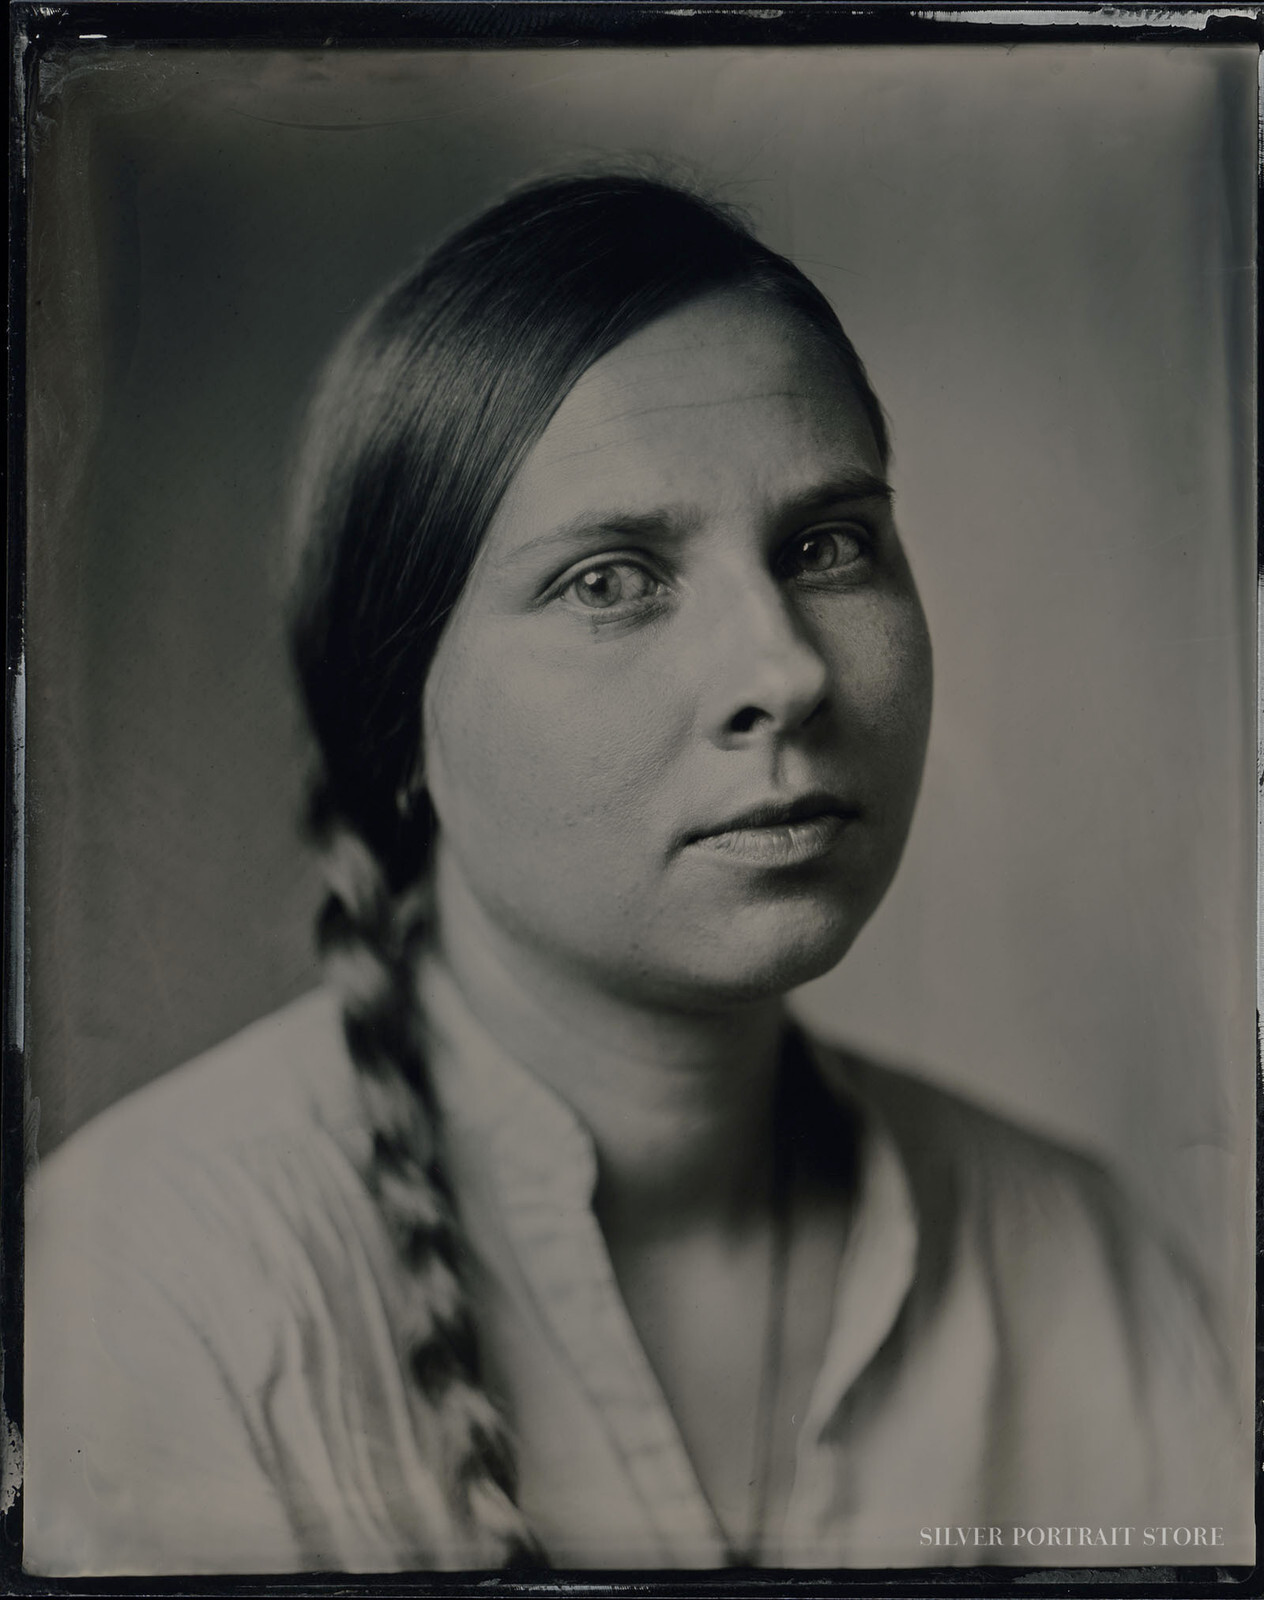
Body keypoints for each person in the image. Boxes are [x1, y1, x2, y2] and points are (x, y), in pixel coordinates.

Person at [23, 174, 1248, 1576]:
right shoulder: (149, 1295)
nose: (784, 672)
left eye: (828, 545)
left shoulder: (1077, 1268)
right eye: (610, 580)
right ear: (398, 715)